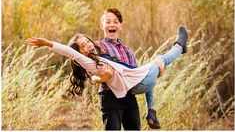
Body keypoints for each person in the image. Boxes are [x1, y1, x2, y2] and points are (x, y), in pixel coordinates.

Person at [27, 26, 188, 129]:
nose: (88, 45)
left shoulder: (102, 57)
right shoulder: (88, 62)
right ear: (80, 54)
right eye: (83, 46)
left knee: (154, 64)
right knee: (162, 58)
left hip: (137, 85)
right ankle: (180, 45)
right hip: (140, 83)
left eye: (88, 41)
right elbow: (69, 52)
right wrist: (48, 43)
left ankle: (151, 111)